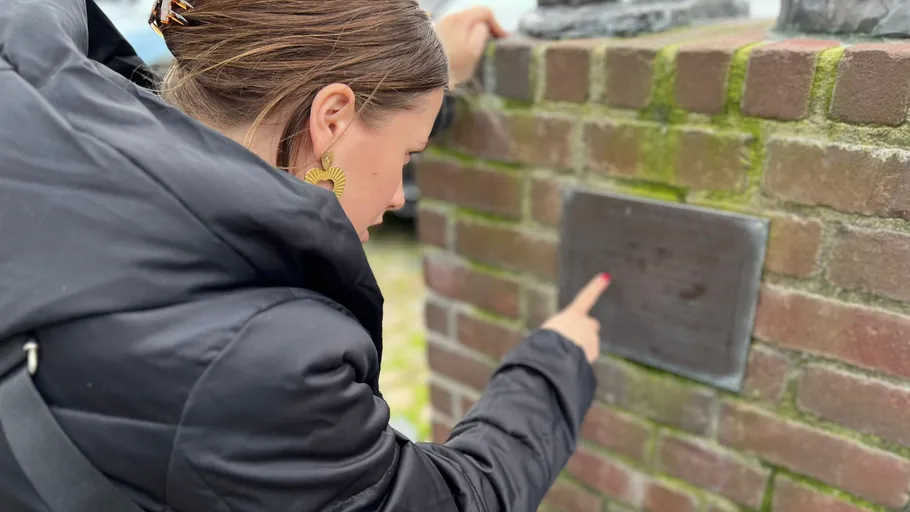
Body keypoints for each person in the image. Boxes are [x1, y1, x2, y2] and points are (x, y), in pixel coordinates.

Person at [0, 1, 609, 511]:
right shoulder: (266, 361)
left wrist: (413, 84)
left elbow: (329, 136)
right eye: (408, 155)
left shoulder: (42, 111)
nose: (398, 194)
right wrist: (552, 364)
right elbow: (455, 498)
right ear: (333, 116)